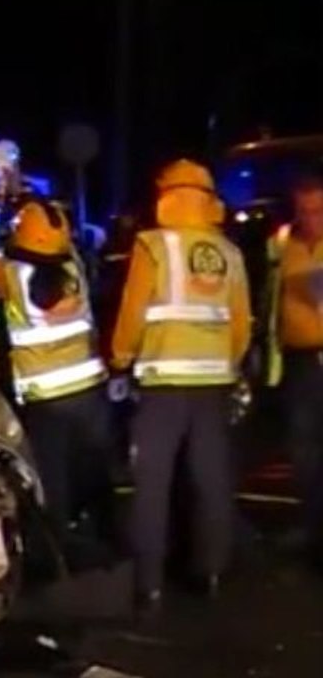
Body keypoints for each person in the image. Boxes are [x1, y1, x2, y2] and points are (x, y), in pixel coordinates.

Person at [110, 159, 250, 610]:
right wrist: (227, 362)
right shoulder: (228, 252)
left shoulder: (154, 245)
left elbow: (133, 311)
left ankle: (149, 582)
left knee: (153, 483)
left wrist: (120, 357)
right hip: (214, 383)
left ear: (167, 197)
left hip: (162, 383)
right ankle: (211, 571)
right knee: (211, 478)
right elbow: (241, 324)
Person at [0, 200, 117, 566]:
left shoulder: (13, 275)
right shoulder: (74, 269)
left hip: (45, 399)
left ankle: (56, 556)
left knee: (52, 480)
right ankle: (106, 542)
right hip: (89, 390)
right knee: (95, 471)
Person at [263, 167, 323, 567]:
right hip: (300, 362)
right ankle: (312, 526)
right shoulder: (283, 243)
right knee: (304, 450)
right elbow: (271, 295)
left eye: (318, 210)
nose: (311, 219)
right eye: (304, 211)